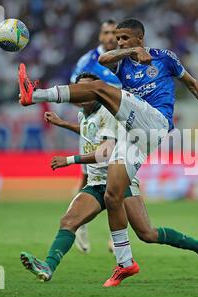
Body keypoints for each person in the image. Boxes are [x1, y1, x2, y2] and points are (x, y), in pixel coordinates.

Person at [18, 18, 198, 287]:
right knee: (119, 202)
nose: (118, 42)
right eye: (116, 38)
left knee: (98, 89)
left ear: (140, 38)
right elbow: (106, 57)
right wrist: (129, 52)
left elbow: (192, 84)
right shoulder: (122, 61)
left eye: (124, 38)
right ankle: (130, 262)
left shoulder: (164, 58)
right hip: (135, 135)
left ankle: (34, 95)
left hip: (156, 121)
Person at [69, 19, 121, 254]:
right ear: (100, 36)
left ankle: (116, 236)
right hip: (96, 125)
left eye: (114, 33)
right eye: (106, 32)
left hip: (122, 125)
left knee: (122, 178)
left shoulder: (125, 60)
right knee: (87, 179)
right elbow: (73, 91)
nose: (110, 37)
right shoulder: (87, 61)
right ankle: (79, 224)